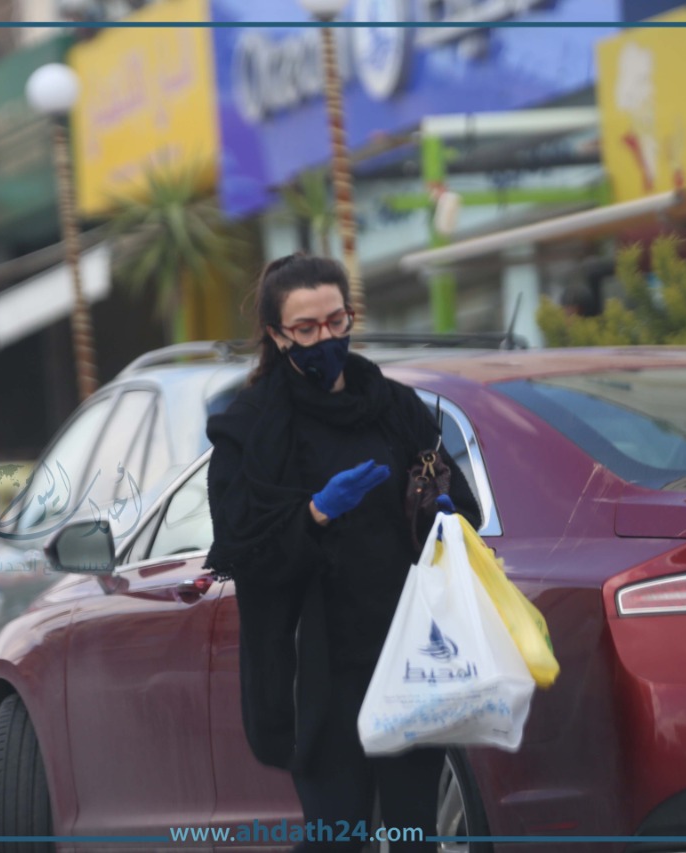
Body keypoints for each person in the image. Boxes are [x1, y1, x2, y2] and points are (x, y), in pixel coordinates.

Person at [206, 253, 481, 852]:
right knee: (338, 834)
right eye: (306, 329)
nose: (325, 339)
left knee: (414, 833)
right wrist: (314, 513)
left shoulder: (395, 406)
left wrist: (442, 512)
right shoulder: (249, 427)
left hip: (409, 656)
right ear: (278, 336)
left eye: (336, 321)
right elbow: (238, 545)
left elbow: (461, 504)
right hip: (317, 673)